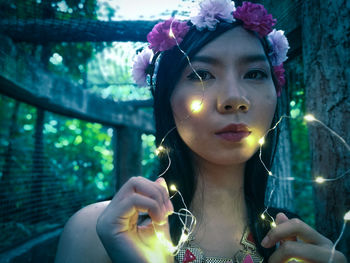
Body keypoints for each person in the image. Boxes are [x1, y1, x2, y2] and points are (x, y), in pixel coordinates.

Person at [55, 1, 347, 262]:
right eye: (201, 74)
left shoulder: (294, 242)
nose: (234, 98)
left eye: (255, 73)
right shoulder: (101, 231)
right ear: (167, 98)